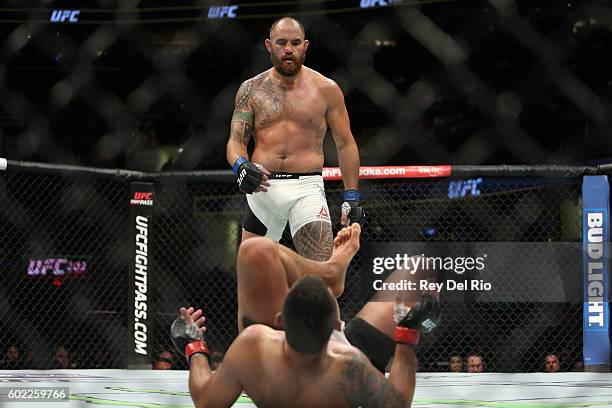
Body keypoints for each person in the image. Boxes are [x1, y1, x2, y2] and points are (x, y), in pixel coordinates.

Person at [172, 277, 439, 408]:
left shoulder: (251, 347)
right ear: (337, 328)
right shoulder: (351, 367)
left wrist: (194, 346)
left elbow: (206, 401)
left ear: (279, 320)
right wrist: (406, 333)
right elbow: (398, 405)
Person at [226, 16, 363, 262]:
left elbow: (345, 143)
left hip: (306, 188)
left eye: (295, 42)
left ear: (305, 46)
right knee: (254, 282)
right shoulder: (251, 89)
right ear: (269, 46)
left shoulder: (326, 89)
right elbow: (236, 141)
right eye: (281, 42)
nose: (288, 49)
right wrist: (241, 166)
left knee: (321, 274)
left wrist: (351, 196)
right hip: (262, 187)